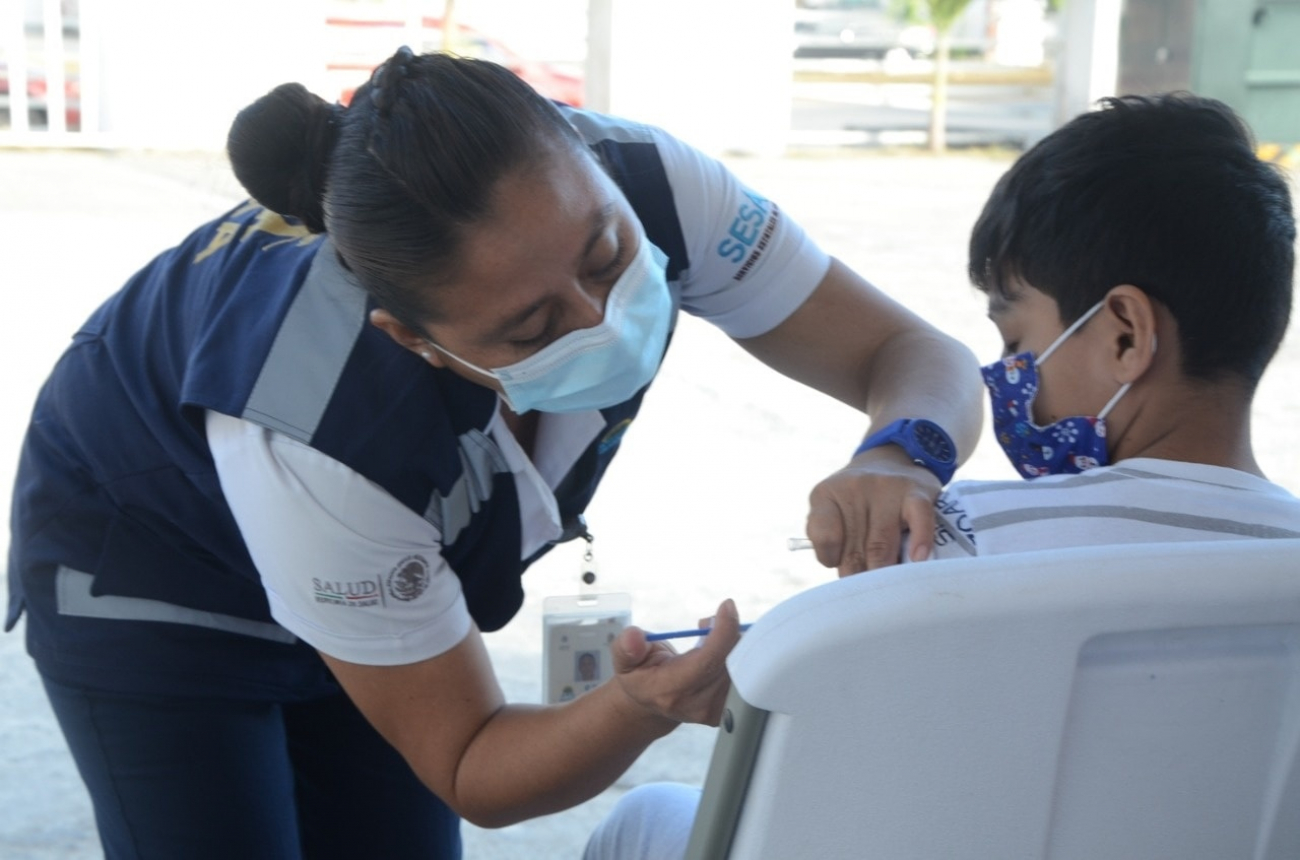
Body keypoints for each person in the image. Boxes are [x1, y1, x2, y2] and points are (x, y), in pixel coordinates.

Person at [5, 47, 984, 858]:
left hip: (346, 544)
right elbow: (471, 759)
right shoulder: (322, 424)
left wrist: (901, 452)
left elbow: (915, 355)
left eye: (604, 256)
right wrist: (636, 706)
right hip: (149, 569)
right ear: (416, 341)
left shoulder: (652, 182)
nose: (603, 317)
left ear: (587, 161)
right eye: (531, 327)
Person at [583, 91, 1300, 860]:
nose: (1008, 377)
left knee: (644, 818)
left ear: (1124, 335)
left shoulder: (956, 546)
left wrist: (757, 682)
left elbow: (829, 777)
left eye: (1017, 336)